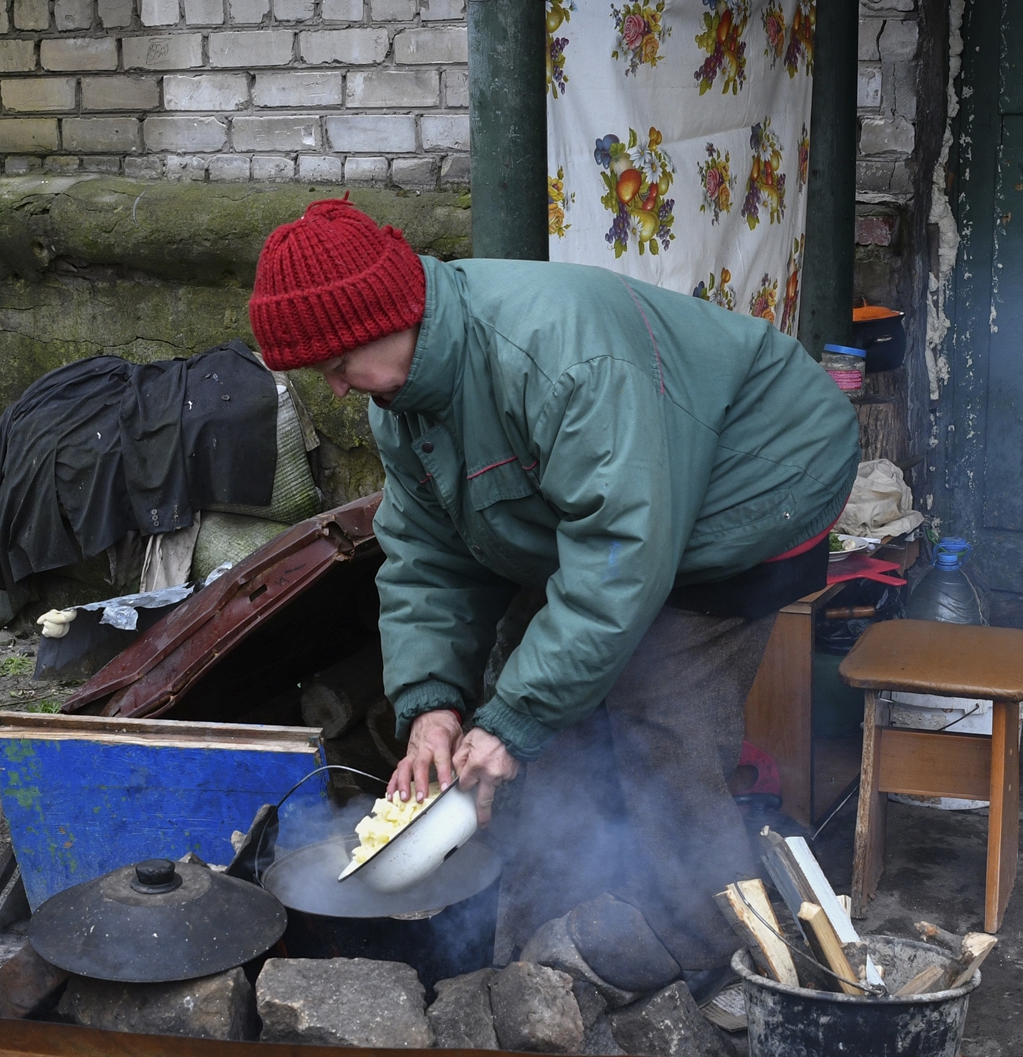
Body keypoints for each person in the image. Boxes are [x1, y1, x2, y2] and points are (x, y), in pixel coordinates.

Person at [248, 199, 859, 993]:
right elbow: (429, 558)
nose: (333, 391)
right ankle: (532, 962)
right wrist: (433, 702)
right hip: (621, 515)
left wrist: (518, 719)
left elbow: (620, 553)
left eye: (336, 363)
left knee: (654, 708)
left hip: (763, 482)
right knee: (520, 715)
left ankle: (713, 955)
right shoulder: (401, 403)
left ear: (391, 315)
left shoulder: (558, 359)